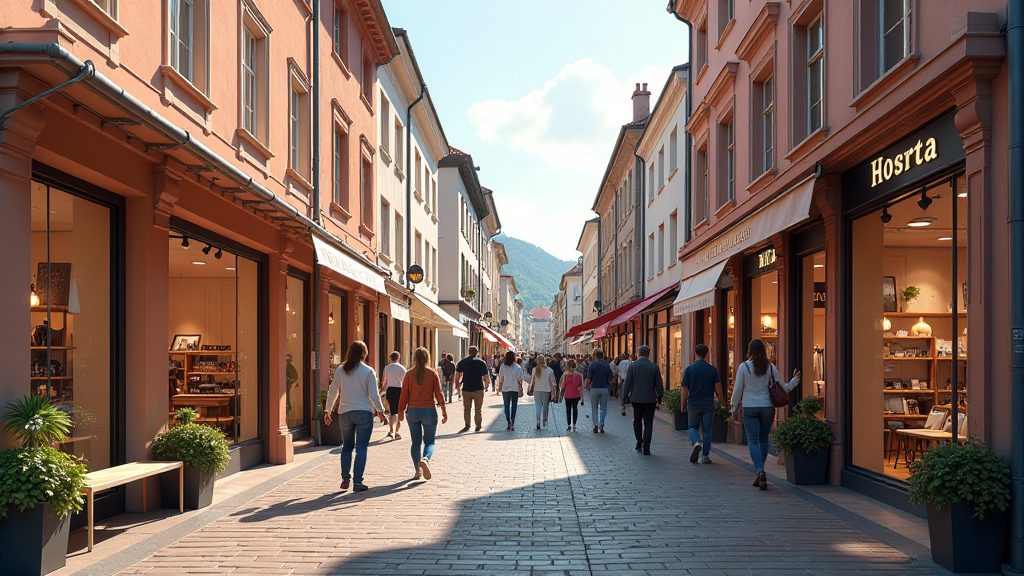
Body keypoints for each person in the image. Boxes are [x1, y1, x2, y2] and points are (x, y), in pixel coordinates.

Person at [731, 338, 801, 490]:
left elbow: (737, 390)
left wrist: (733, 407)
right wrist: (795, 380)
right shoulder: (770, 367)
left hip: (749, 407)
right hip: (767, 407)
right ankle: (761, 472)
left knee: (752, 440)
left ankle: (760, 471)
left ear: (750, 351)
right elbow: (785, 388)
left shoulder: (743, 367)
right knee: (763, 439)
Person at [324, 341, 387, 492]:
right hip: (364, 412)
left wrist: (328, 410)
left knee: (347, 446)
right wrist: (381, 410)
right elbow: (374, 394)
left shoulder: (341, 370)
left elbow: (333, 391)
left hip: (345, 412)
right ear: (364, 353)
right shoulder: (368, 371)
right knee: (361, 448)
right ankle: (357, 482)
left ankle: (345, 478)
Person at [398, 347, 448, 480]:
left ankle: (417, 471)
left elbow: (404, 395)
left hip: (413, 411)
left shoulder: (408, 374)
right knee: (430, 442)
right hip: (429, 411)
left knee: (415, 442)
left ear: (414, 358)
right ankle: (425, 459)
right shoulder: (432, 374)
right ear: (427, 358)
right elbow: (438, 393)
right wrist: (443, 410)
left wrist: (401, 411)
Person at [680, 343, 724, 464]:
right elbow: (718, 387)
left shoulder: (690, 369)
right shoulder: (712, 369)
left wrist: (682, 404)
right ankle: (705, 456)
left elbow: (684, 388)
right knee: (707, 430)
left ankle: (696, 443)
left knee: (692, 427)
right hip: (708, 403)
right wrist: (722, 401)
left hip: (693, 403)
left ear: (695, 353)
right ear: (706, 354)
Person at [621, 345, 664, 455]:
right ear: (648, 354)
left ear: (638, 353)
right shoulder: (654, 367)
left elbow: (627, 384)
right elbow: (659, 384)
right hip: (650, 398)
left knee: (637, 420)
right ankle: (647, 447)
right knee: (648, 422)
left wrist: (624, 398)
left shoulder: (633, 366)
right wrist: (659, 396)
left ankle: (639, 442)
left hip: (637, 398)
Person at [454, 346, 489, 433]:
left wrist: (457, 385)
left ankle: (467, 425)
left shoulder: (463, 362)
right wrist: (486, 386)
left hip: (466, 389)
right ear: (477, 352)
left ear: (469, 352)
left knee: (467, 408)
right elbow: (486, 377)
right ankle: (478, 425)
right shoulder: (481, 362)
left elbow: (458, 375)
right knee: (478, 408)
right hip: (478, 389)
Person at [584, 349, 614, 433]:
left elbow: (589, 377)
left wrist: (586, 386)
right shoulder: (606, 365)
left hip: (594, 388)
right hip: (604, 388)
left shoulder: (592, 364)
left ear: (595, 356)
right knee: (603, 407)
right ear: (603, 356)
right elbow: (611, 377)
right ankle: (602, 424)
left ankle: (595, 425)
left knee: (594, 407)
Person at [381, 351, 407, 440]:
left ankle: (391, 430)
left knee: (391, 412)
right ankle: (397, 432)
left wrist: (382, 390)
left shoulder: (386, 368)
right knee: (399, 411)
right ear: (398, 358)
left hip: (390, 390)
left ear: (390, 358)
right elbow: (405, 381)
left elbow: (384, 380)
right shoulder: (401, 368)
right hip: (399, 390)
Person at [496, 350, 525, 430]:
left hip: (505, 388)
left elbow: (500, 378)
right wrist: (521, 388)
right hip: (515, 388)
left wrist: (499, 388)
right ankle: (512, 421)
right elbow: (520, 379)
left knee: (506, 406)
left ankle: (508, 421)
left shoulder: (503, 366)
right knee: (514, 406)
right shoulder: (518, 367)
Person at [529, 355, 557, 429]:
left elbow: (532, 381)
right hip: (546, 390)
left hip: (536, 390)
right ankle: (544, 420)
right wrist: (554, 391)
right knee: (545, 406)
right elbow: (553, 382)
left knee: (538, 406)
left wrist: (529, 389)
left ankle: (538, 420)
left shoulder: (534, 370)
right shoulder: (549, 370)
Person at [560, 359, 584, 432]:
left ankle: (569, 424)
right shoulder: (579, 375)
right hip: (576, 395)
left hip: (567, 395)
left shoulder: (565, 375)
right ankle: (574, 424)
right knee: (575, 409)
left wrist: (560, 396)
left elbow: (563, 386)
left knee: (568, 409)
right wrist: (583, 398)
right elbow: (580, 388)